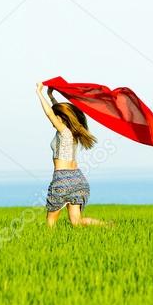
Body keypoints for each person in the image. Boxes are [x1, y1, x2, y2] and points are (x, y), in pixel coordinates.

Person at [35, 83, 108, 228]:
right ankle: (108, 226)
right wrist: (51, 96)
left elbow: (50, 113)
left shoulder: (64, 131)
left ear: (60, 118)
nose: (53, 120)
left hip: (62, 179)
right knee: (77, 222)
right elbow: (58, 111)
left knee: (50, 223)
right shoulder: (73, 132)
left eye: (57, 118)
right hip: (78, 179)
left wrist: (39, 92)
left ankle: (50, 247)